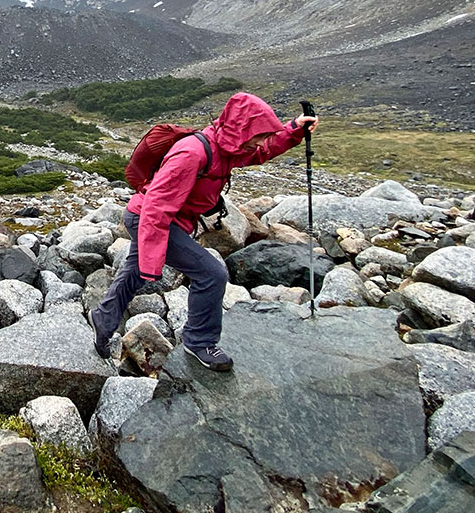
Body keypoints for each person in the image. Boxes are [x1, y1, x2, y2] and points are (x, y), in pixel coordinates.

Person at [90, 92, 320, 371]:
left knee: (134, 272)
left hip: (162, 218)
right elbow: (156, 207)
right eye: (258, 134)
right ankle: (199, 341)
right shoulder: (192, 153)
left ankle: (103, 318)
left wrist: (294, 129)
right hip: (149, 219)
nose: (261, 141)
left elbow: (262, 152)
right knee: (212, 273)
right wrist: (154, 261)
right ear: (241, 129)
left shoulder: (228, 148)